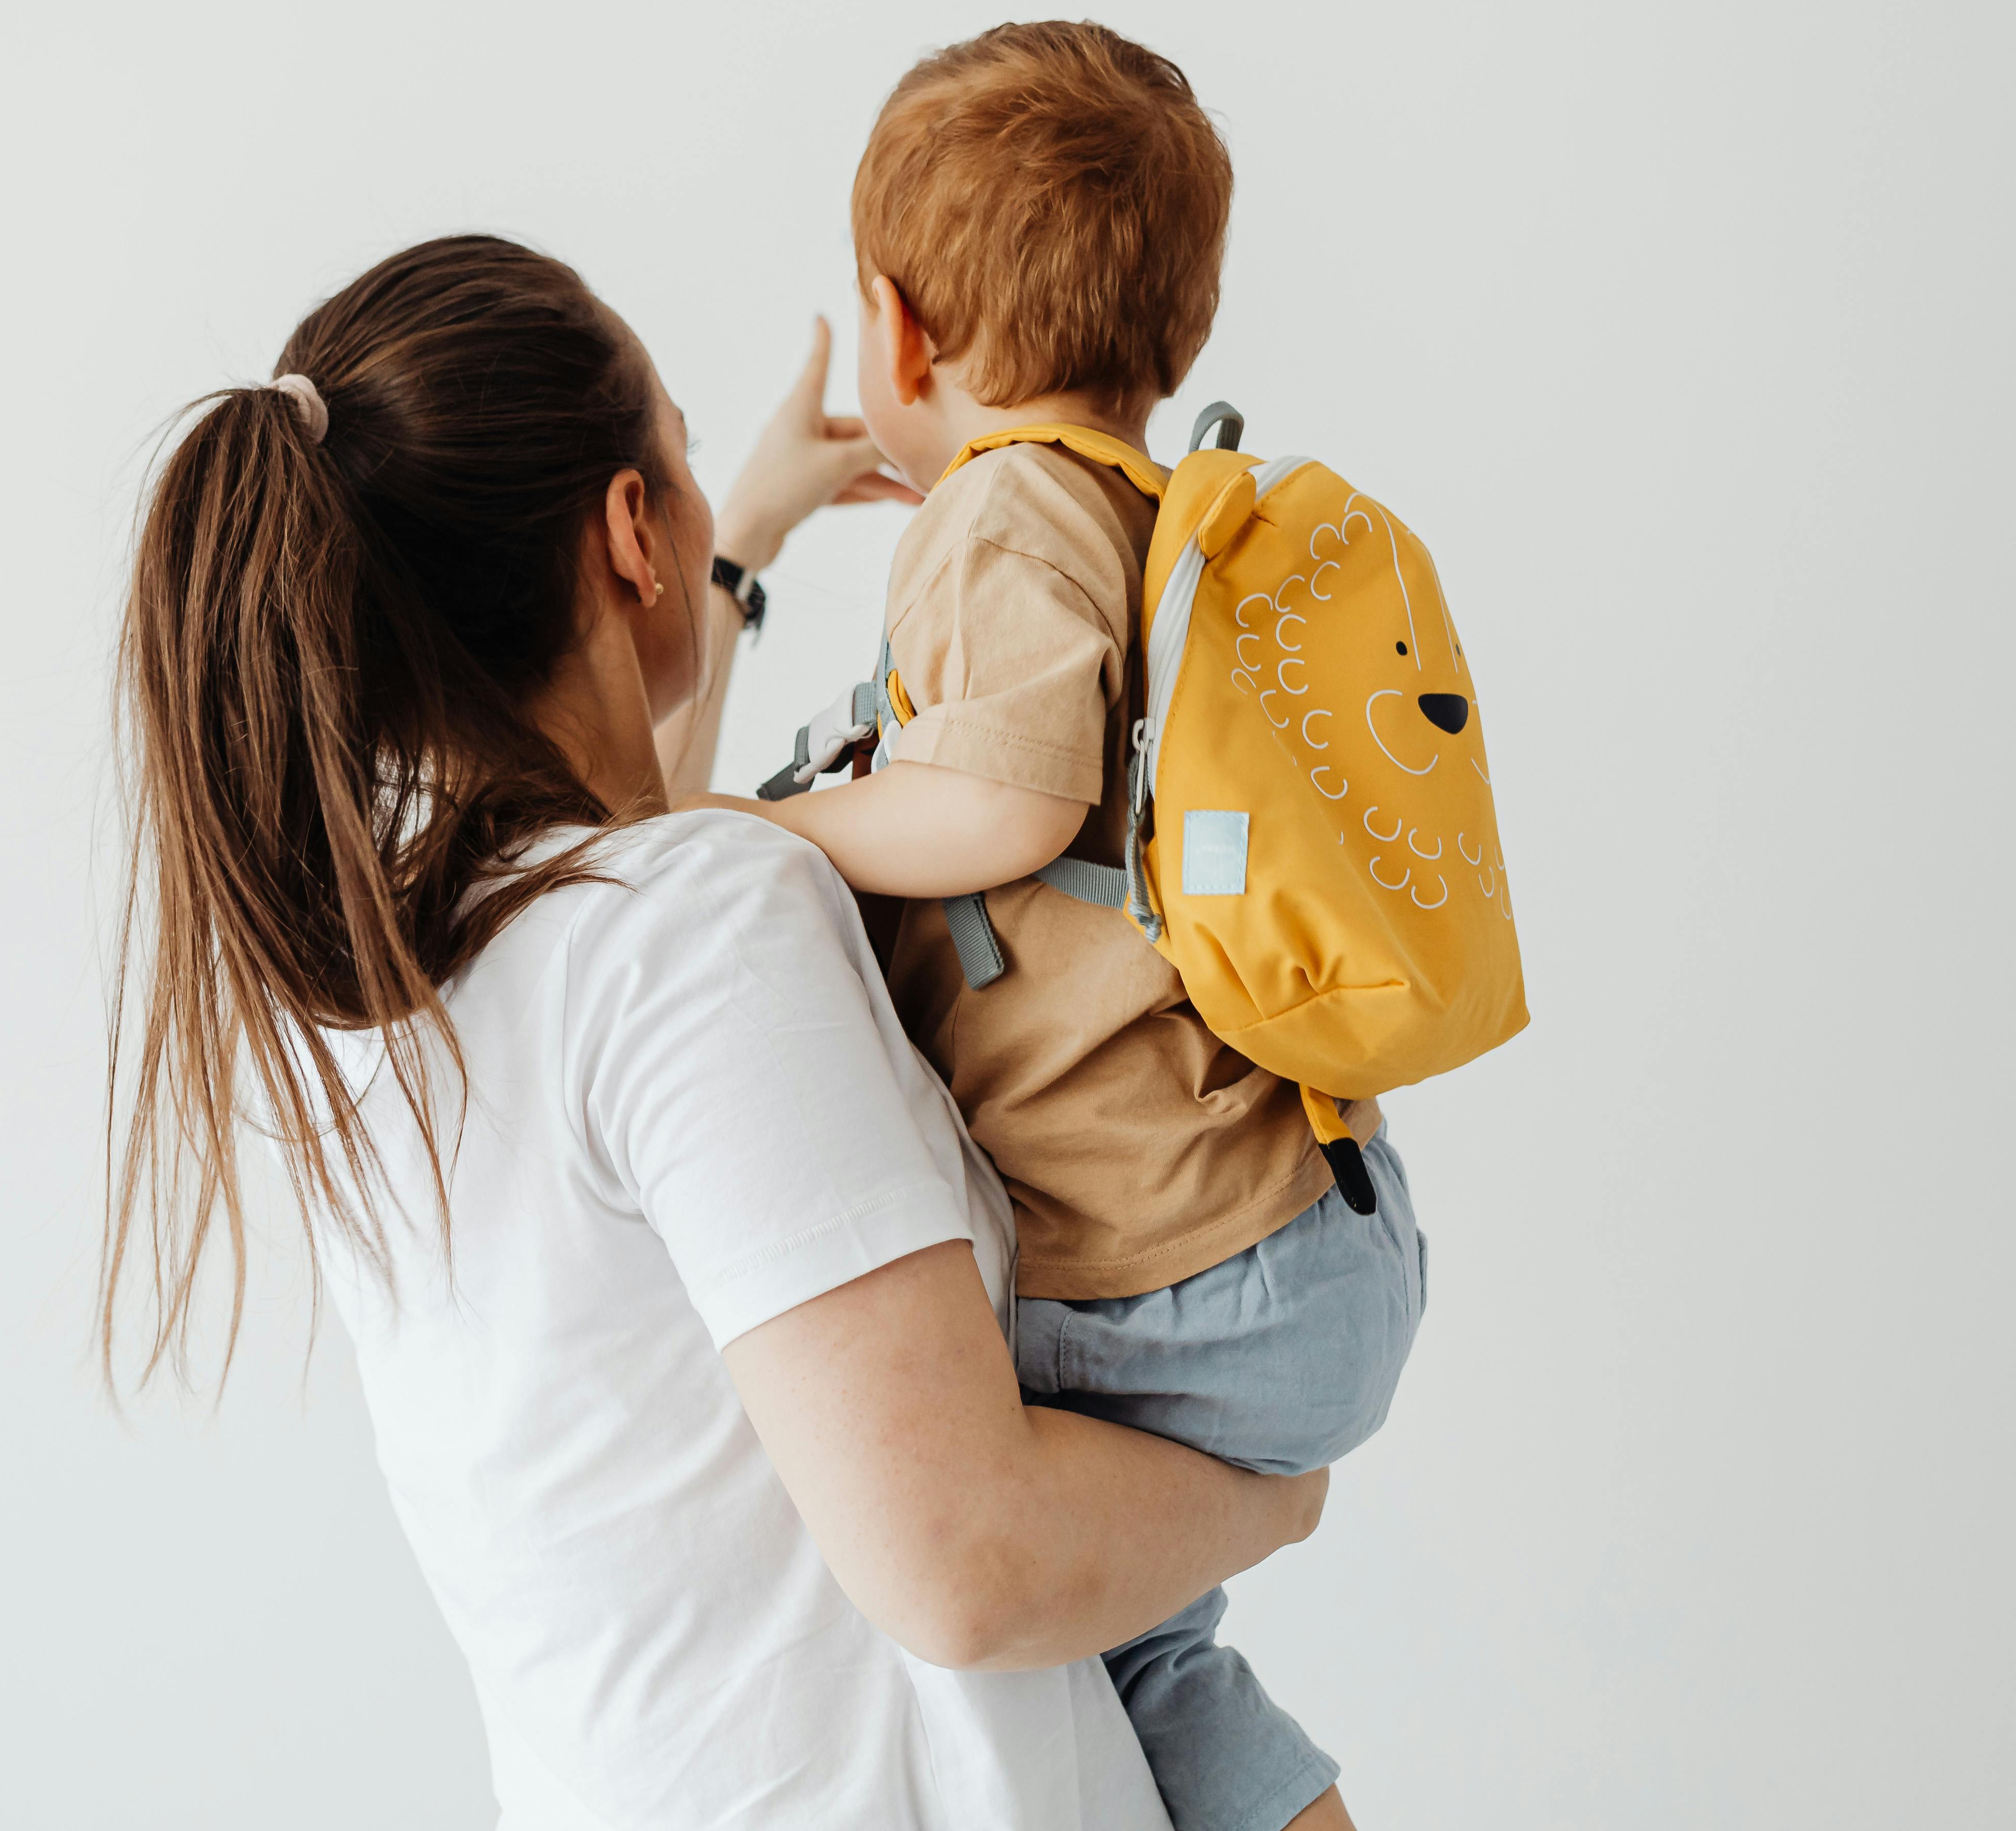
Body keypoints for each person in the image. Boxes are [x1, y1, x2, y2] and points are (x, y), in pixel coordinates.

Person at [105, 233, 1345, 1829]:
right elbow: (969, 1566)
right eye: (675, 472)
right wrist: (1274, 1494)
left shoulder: (386, 986)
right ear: (632, 534)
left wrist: (740, 532)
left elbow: (636, 844)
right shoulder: (688, 929)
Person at [719, 24, 1428, 1831]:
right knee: (1143, 1666)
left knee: (902, 1497)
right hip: (1282, 1234)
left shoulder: (996, 508)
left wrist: (770, 826)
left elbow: (1015, 795)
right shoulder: (1122, 506)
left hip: (1168, 1268)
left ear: (897, 329)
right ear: (1170, 334)